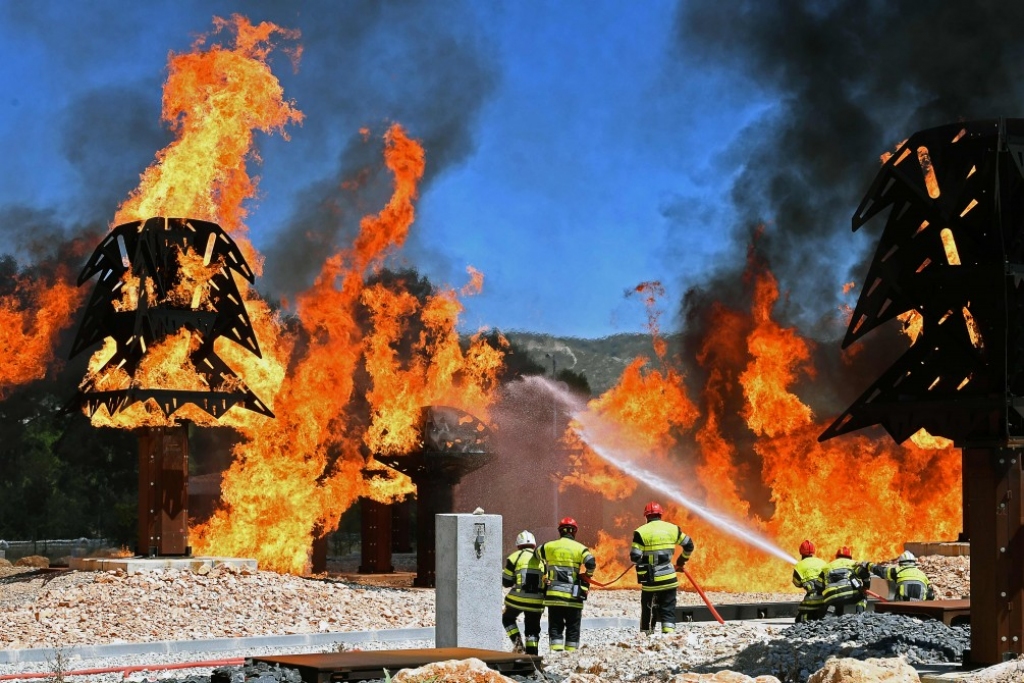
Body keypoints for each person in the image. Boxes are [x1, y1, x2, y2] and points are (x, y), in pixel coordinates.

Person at [629, 501, 694, 634]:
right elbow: (689, 545)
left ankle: (646, 634)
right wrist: (681, 561)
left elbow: (635, 556)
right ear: (660, 514)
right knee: (668, 610)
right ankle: (668, 636)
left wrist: (644, 562)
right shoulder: (673, 529)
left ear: (646, 516)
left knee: (648, 607)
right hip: (669, 579)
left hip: (650, 582)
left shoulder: (641, 532)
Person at [537, 517, 597, 652]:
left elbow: (536, 555)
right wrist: (588, 575)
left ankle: (557, 653)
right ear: (574, 532)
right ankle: (570, 655)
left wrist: (544, 573)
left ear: (560, 531)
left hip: (554, 597)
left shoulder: (549, 546)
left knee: (555, 626)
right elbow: (591, 563)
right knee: (573, 626)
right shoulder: (580, 549)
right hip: (573, 597)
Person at [501, 530, 546, 654]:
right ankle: (532, 658)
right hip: (537, 601)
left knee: (507, 618)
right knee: (532, 630)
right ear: (534, 545)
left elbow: (507, 582)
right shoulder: (541, 559)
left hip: (519, 599)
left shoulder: (515, 557)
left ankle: (518, 645)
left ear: (518, 545)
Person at [864, 550, 935, 601]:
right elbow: (930, 595)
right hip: (920, 606)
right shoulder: (922, 574)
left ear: (901, 563)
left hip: (902, 605)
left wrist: (867, 565)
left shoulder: (897, 571)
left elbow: (880, 571)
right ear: (914, 562)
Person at [822, 546, 870, 615]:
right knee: (862, 597)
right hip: (848, 593)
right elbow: (865, 575)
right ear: (850, 556)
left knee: (834, 601)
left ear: (837, 556)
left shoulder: (827, 566)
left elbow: (819, 584)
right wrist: (866, 587)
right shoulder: (853, 563)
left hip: (829, 596)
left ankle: (829, 616)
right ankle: (859, 615)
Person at [791, 539, 827, 622]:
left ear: (801, 551)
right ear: (813, 551)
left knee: (800, 620)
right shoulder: (822, 562)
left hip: (812, 599)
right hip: (826, 599)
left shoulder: (799, 566)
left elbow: (797, 583)